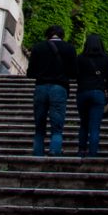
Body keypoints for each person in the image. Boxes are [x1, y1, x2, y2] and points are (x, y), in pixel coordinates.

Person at [28, 24, 76, 157]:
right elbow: (73, 72)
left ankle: (37, 153)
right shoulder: (69, 49)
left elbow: (30, 73)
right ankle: (55, 150)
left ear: (47, 35)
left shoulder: (38, 47)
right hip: (59, 88)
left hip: (41, 87)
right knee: (57, 126)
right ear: (62, 35)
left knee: (39, 126)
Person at [75, 33, 108, 158]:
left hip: (83, 92)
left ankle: (81, 150)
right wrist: (106, 90)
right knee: (95, 126)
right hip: (98, 92)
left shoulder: (80, 58)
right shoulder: (106, 58)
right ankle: (92, 153)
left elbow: (76, 75)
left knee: (84, 123)